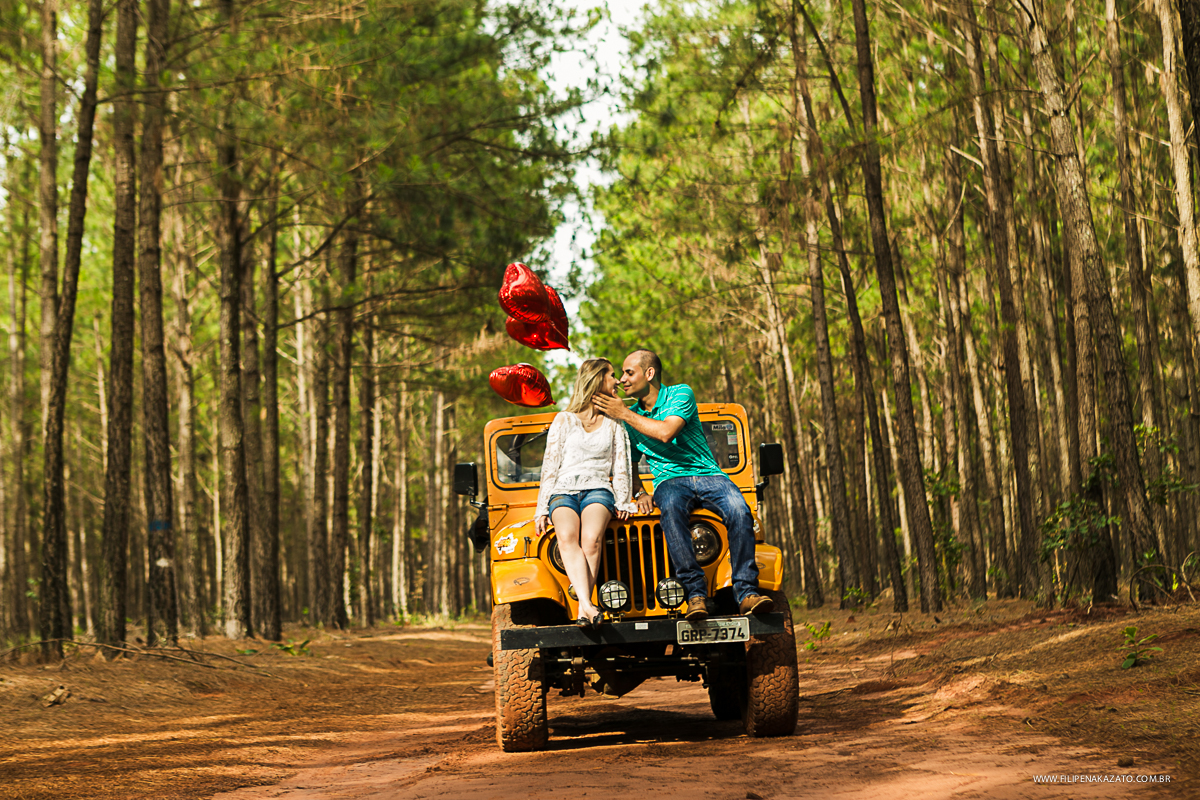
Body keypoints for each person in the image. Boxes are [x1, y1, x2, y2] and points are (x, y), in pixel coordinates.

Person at [593, 348, 773, 621]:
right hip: (669, 481)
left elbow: (666, 432)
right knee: (671, 514)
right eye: (621, 375)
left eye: (629, 373)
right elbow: (629, 465)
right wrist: (640, 492)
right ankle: (696, 596)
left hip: (709, 475)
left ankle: (747, 593)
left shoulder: (680, 393)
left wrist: (625, 414)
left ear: (649, 373)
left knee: (740, 509)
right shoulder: (630, 419)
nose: (622, 380)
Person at [535, 358, 637, 628]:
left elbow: (621, 465)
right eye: (612, 375)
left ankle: (583, 608)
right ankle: (588, 606)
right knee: (566, 537)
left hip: (598, 489)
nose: (618, 381)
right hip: (563, 491)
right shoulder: (564, 420)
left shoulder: (614, 423)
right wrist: (542, 508)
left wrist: (623, 500)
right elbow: (550, 466)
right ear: (597, 379)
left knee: (591, 540)